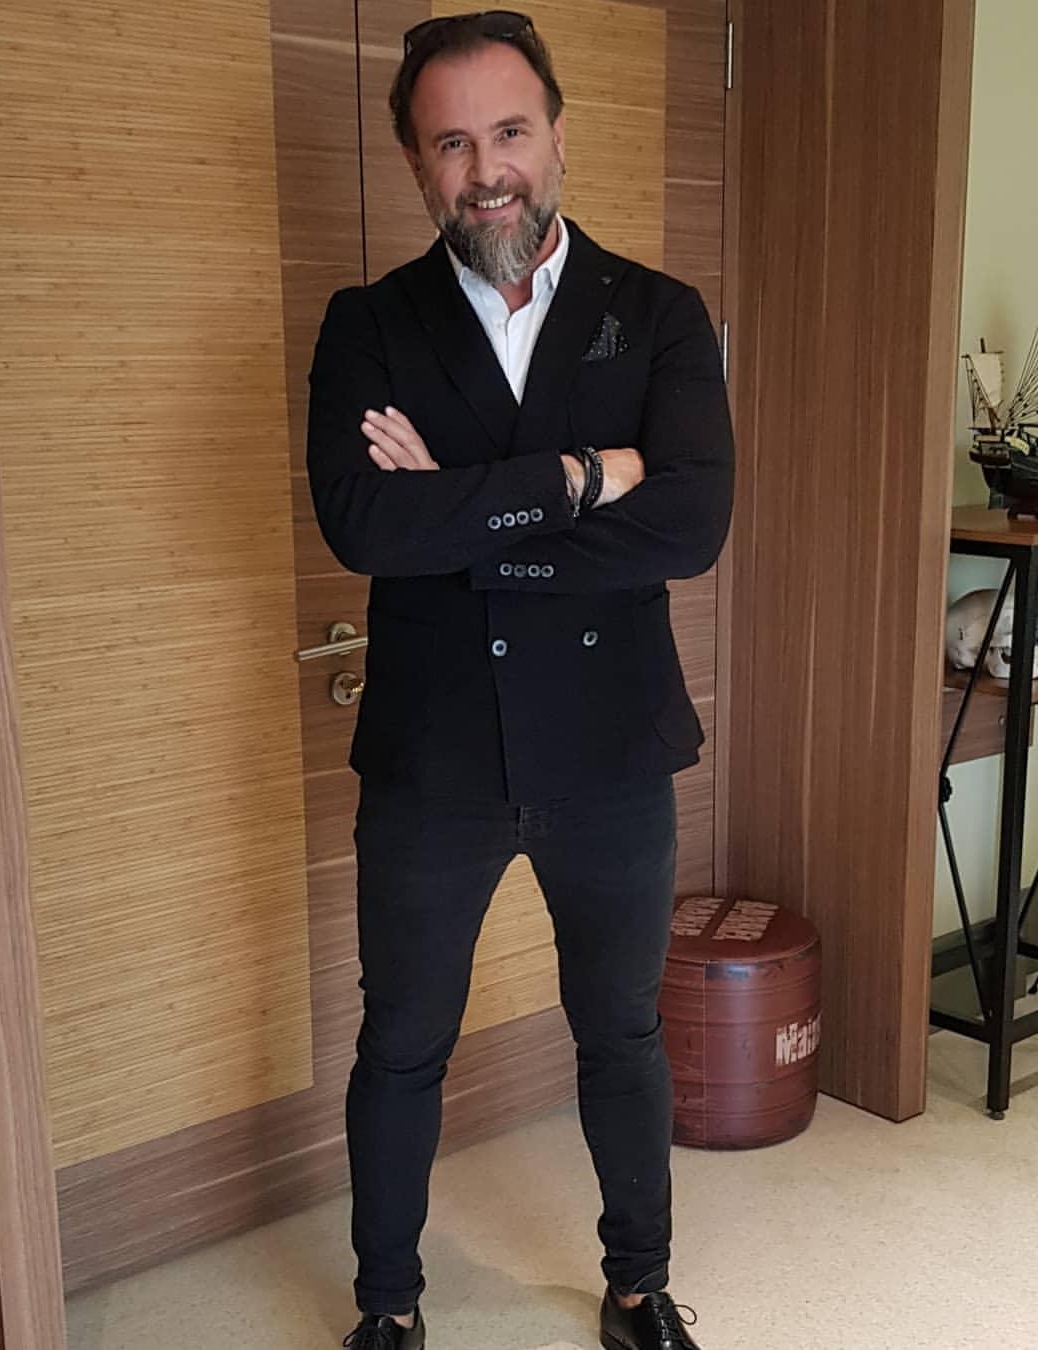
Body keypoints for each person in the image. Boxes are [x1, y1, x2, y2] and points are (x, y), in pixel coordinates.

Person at [306, 11, 734, 1349]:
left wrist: (458, 514)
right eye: (450, 142)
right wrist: (576, 477)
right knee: (401, 1042)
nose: (484, 169)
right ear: (415, 162)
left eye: (508, 131)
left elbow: (690, 526)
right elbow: (363, 525)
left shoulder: (657, 314)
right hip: (432, 758)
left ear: (555, 135)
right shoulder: (370, 324)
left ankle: (637, 1287)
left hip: (611, 750)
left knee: (620, 1032)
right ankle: (388, 1305)